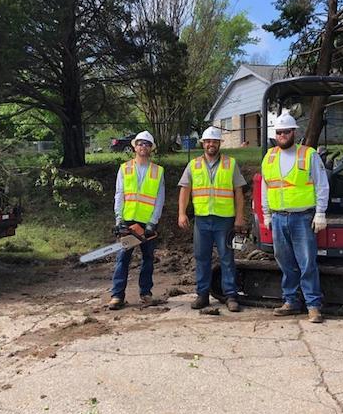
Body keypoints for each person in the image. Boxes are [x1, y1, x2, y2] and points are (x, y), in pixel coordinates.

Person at [261, 113, 329, 323]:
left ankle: (313, 305)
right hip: (279, 218)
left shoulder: (308, 155)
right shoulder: (269, 157)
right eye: (279, 132)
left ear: (294, 132)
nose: (282, 135)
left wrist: (320, 212)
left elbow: (321, 184)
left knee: (307, 262)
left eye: (286, 132)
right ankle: (290, 300)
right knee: (285, 262)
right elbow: (266, 186)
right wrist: (266, 213)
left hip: (302, 218)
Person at [178, 126, 247, 312]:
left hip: (224, 220)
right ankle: (202, 295)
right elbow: (185, 190)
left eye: (214, 141)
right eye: (208, 141)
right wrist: (182, 213)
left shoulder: (230, 164)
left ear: (219, 144)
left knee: (227, 258)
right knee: (202, 258)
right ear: (203, 143)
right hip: (202, 220)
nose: (211, 144)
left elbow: (239, 193)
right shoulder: (193, 165)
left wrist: (240, 217)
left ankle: (230, 295)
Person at [109, 130, 165, 310]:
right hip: (128, 220)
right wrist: (119, 220)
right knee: (123, 258)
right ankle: (117, 295)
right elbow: (119, 194)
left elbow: (159, 199)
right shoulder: (124, 168)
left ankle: (146, 293)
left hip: (147, 223)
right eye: (140, 143)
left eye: (147, 144)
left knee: (148, 258)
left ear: (151, 149)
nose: (143, 147)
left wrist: (152, 223)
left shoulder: (158, 171)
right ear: (135, 146)